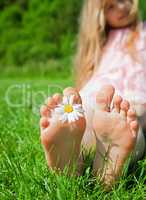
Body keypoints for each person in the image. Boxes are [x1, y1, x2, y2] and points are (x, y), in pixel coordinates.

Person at [40, 0, 146, 189]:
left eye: (124, 0)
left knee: (129, 122)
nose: (122, 8)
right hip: (95, 95)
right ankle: (73, 159)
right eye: (110, 6)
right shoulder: (100, 43)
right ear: (99, 15)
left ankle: (107, 162)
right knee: (85, 115)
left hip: (133, 98)